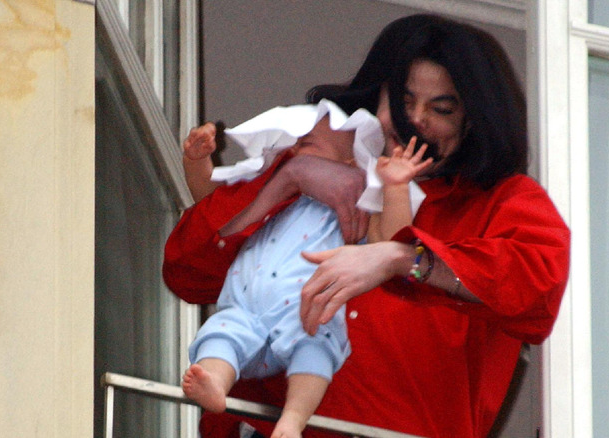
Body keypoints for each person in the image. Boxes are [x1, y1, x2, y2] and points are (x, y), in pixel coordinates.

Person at [164, 13, 571, 438]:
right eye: (402, 101)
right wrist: (291, 177)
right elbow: (187, 270)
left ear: (473, 119)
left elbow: (536, 288)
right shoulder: (315, 159)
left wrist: (402, 258)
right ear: (377, 96)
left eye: (441, 109)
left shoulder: (502, 200)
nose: (416, 120)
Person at [180, 100, 432, 438]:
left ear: (351, 158)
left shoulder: (360, 205)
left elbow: (391, 241)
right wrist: (197, 162)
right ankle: (214, 384)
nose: (297, 141)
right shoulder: (274, 193)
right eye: (295, 138)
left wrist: (396, 186)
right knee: (220, 334)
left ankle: (293, 420)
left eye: (310, 137)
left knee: (317, 349)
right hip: (244, 309)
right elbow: (210, 205)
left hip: (309, 311)